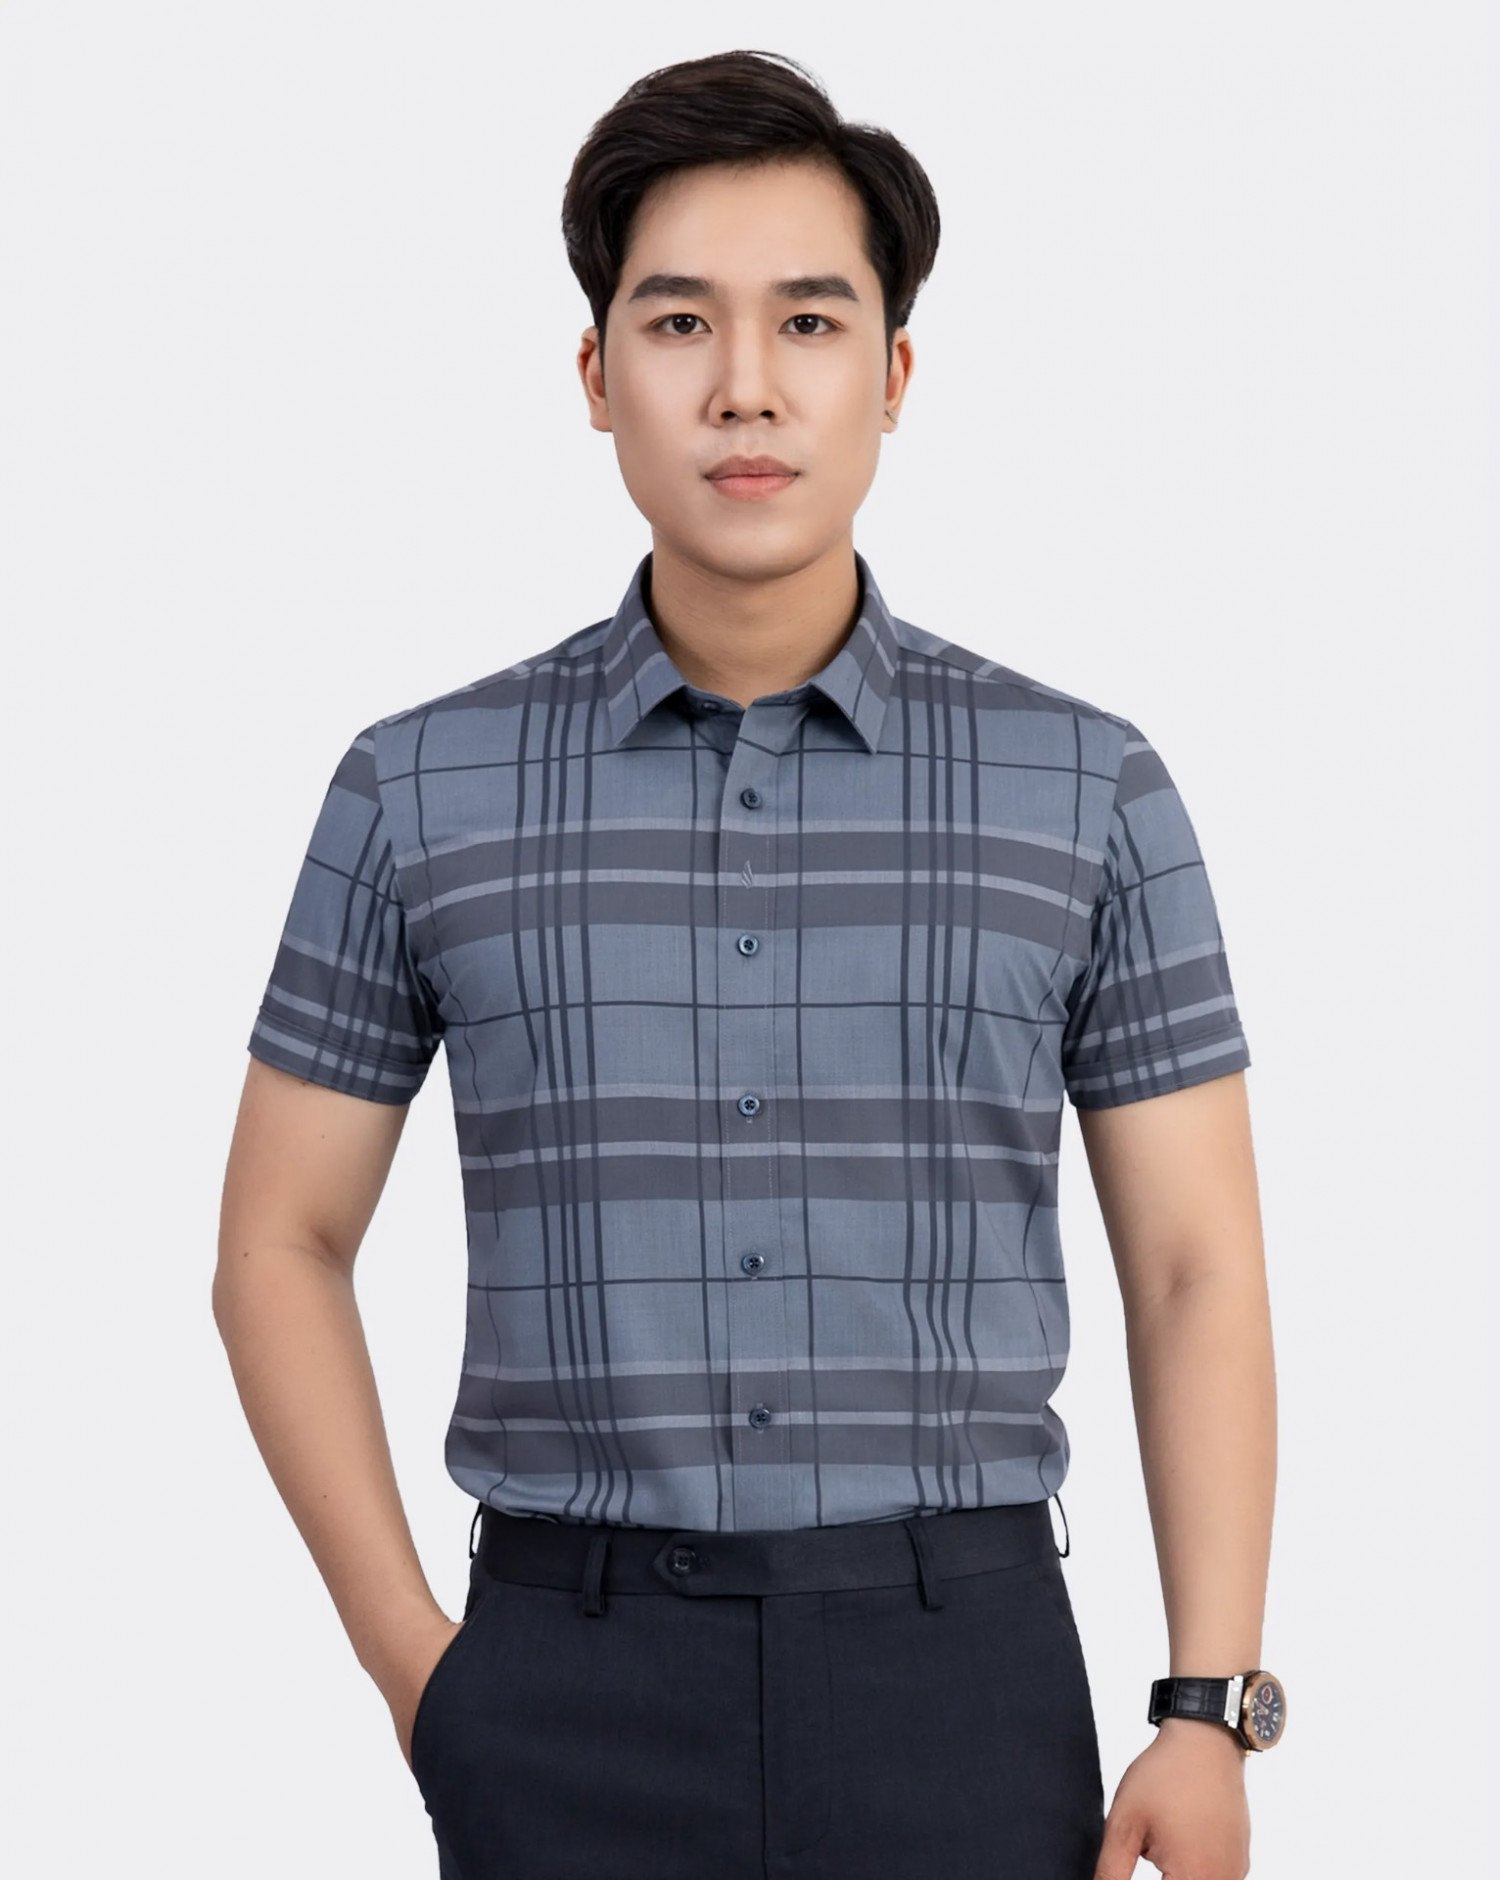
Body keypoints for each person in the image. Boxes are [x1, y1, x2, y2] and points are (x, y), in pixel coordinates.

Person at [215, 47, 1280, 1880]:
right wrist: (422, 1673)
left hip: (963, 1680)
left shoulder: (1085, 789)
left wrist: (1208, 1706)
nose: (744, 386)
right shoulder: (419, 788)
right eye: (678, 322)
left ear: (894, 374)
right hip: (562, 1683)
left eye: (807, 320)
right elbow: (275, 1246)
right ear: (595, 375)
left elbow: (1196, 1269)